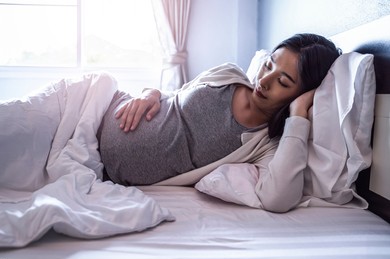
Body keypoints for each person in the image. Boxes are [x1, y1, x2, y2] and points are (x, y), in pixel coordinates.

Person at [97, 33, 341, 212]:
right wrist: (150, 94)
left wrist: (298, 115)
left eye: (283, 82)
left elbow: (277, 200)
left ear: (300, 95)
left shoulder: (265, 145)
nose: (264, 80)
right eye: (268, 64)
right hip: (101, 110)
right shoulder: (228, 74)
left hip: (102, 169)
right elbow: (173, 96)